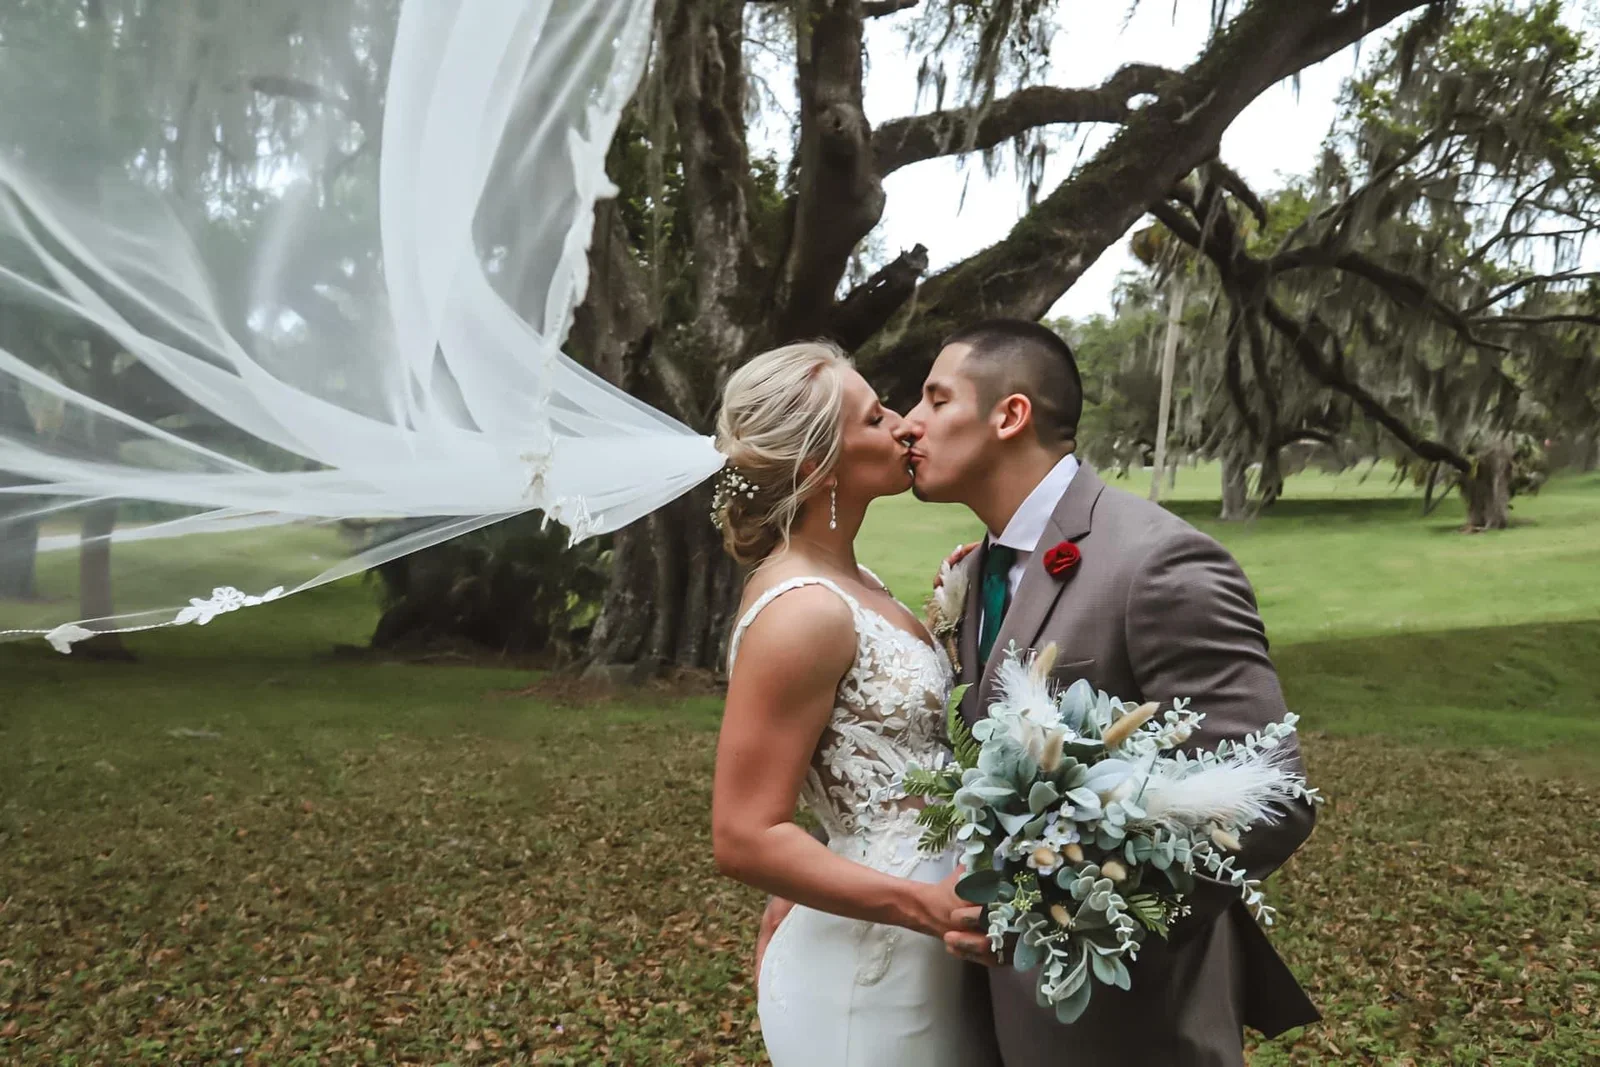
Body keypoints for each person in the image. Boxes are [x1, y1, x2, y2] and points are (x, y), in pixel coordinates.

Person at [745, 320, 1319, 1065]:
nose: (909, 425)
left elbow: (1271, 794)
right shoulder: (976, 573)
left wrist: (1064, 914)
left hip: (1123, 1023)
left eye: (935, 398)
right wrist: (837, 861)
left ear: (1009, 416)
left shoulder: (1156, 562)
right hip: (967, 1008)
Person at [710, 340, 998, 1066]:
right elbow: (743, 833)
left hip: (930, 947)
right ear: (817, 466)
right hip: (872, 971)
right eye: (875, 418)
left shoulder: (858, 579)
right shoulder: (802, 609)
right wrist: (920, 905)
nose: (905, 425)